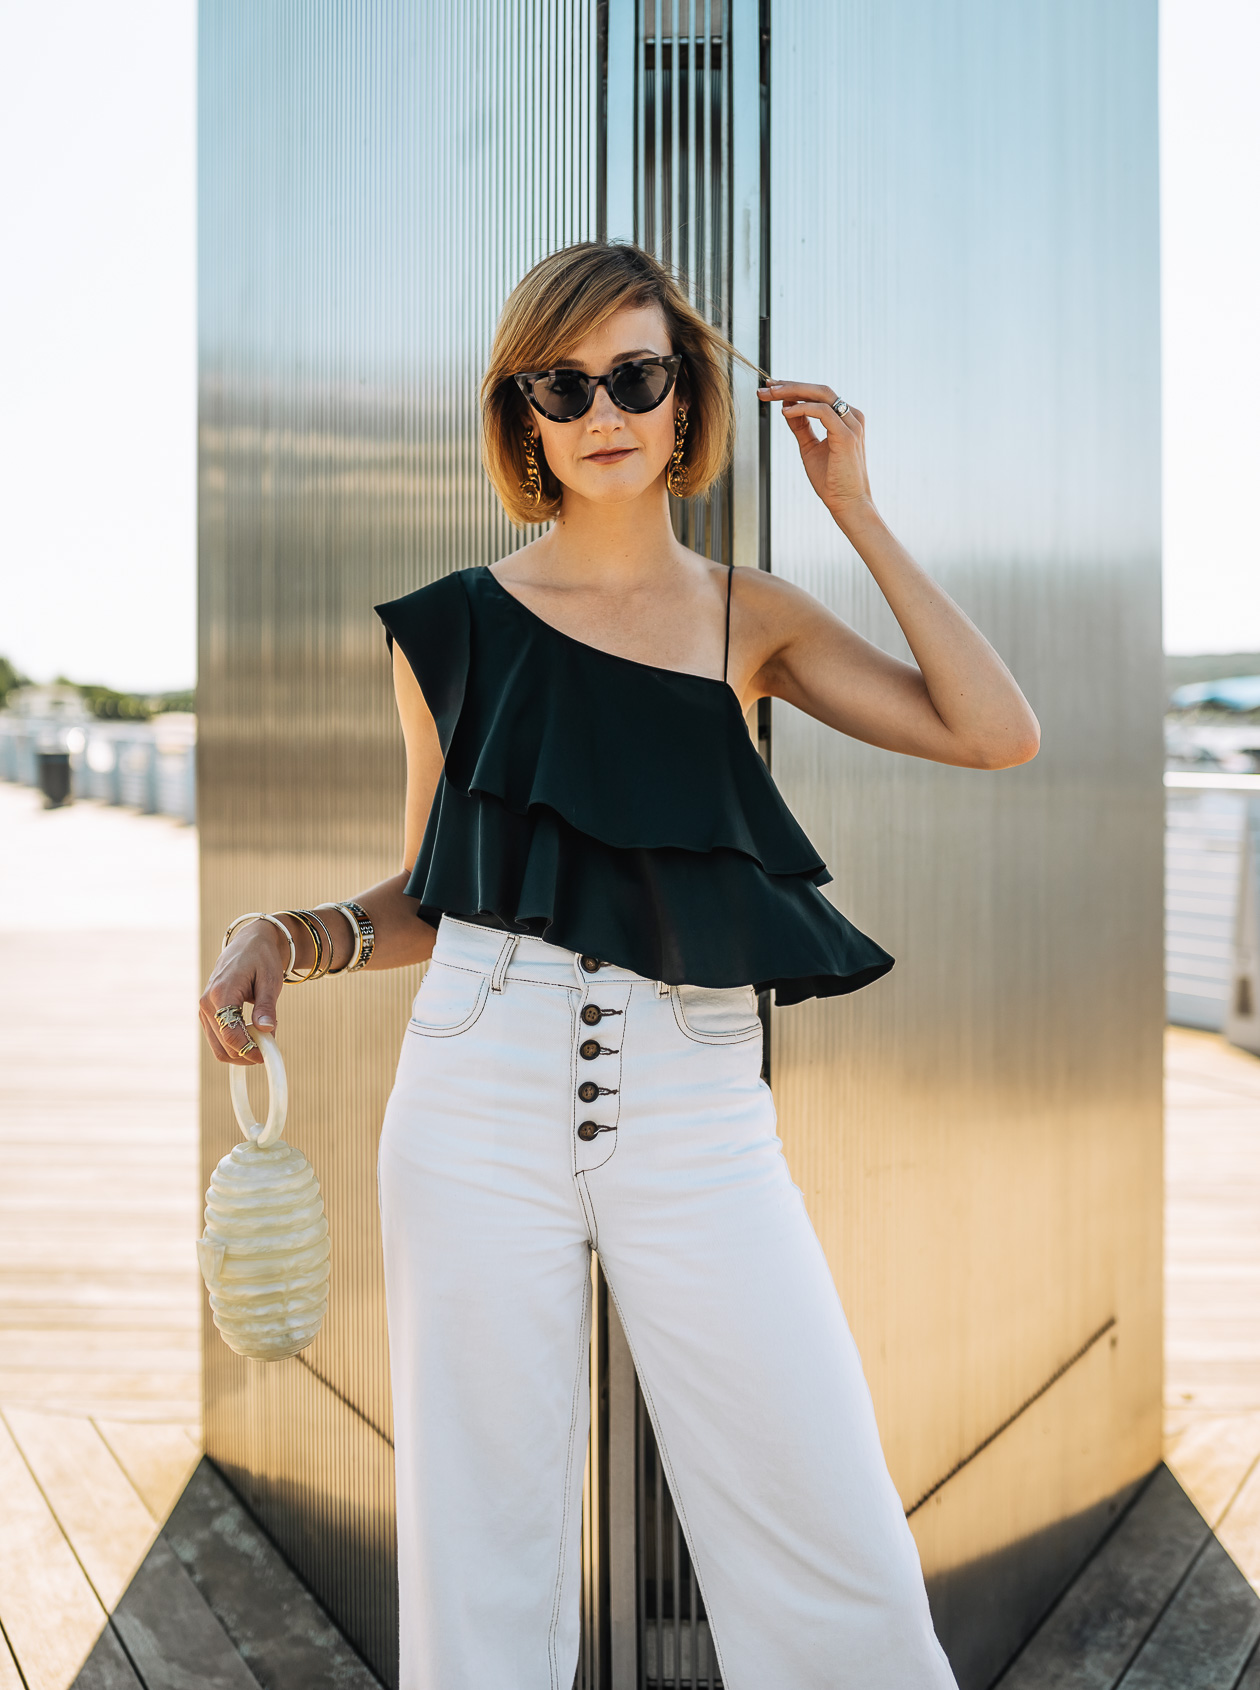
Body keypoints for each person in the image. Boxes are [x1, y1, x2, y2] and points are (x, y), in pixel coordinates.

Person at [200, 240, 1039, 1689]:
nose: (604, 410)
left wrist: (859, 512)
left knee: (830, 1539)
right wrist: (288, 934)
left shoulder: (749, 616)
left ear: (683, 397)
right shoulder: (449, 629)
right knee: (483, 1566)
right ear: (523, 411)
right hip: (475, 1084)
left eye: (635, 376)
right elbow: (439, 889)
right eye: (563, 383)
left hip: (696, 1100)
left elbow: (993, 729)